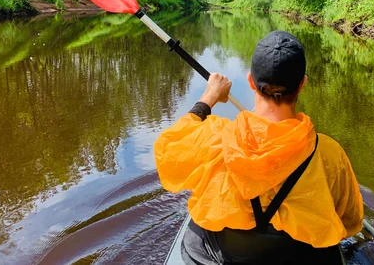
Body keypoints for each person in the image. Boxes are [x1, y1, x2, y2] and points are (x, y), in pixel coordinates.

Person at [154, 31, 363, 265]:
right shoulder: (330, 154)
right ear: (302, 84)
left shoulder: (216, 137)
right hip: (299, 257)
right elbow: (350, 223)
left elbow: (169, 149)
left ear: (251, 81)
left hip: (223, 255)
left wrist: (209, 97)